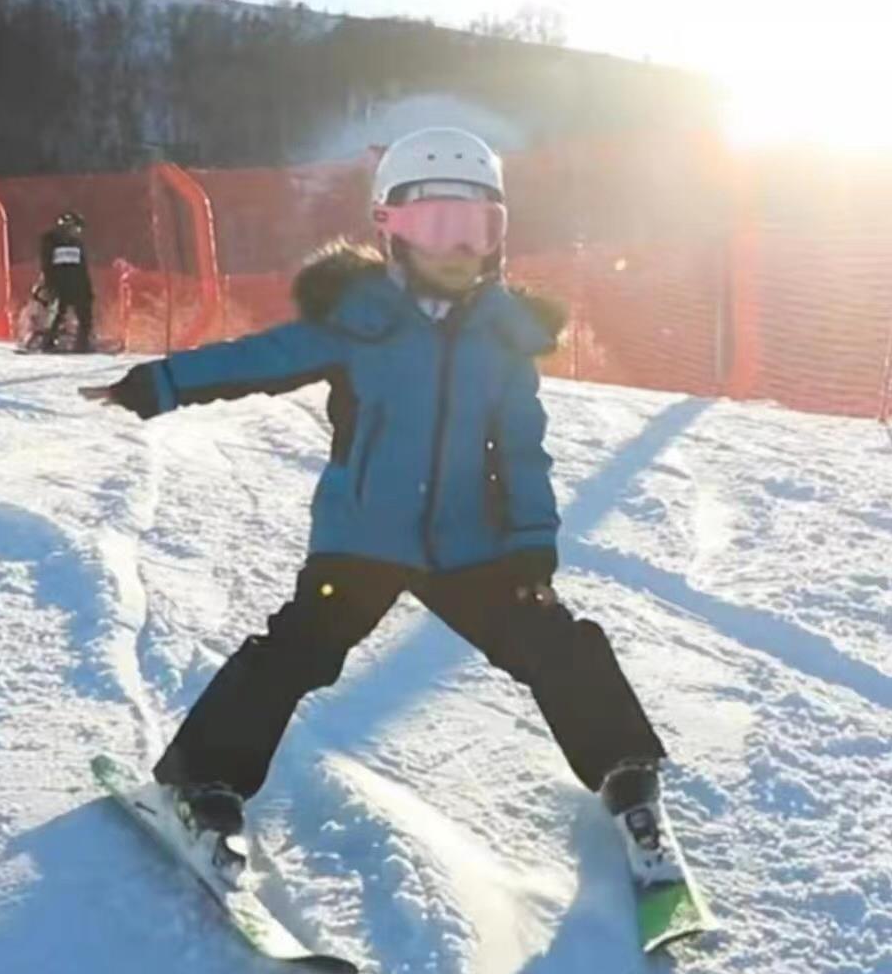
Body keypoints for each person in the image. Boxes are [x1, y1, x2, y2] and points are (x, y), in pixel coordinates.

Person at [90, 128, 673, 889]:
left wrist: (532, 540)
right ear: (389, 228)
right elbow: (258, 359)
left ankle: (625, 774)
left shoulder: (503, 337)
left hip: (473, 543)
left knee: (554, 641)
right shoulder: (357, 322)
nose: (459, 246)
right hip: (362, 537)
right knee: (296, 650)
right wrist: (162, 382)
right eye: (437, 224)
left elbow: (523, 448)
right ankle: (200, 782)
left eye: (478, 227)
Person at [39, 210, 94, 352]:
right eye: (76, 228)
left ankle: (83, 344)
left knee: (85, 315)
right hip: (59, 285)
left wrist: (88, 288)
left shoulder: (77, 244)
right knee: (57, 313)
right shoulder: (51, 241)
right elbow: (47, 265)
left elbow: (82, 268)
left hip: (77, 285)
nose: (77, 232)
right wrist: (49, 285)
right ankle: (48, 342)